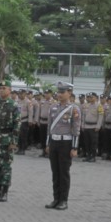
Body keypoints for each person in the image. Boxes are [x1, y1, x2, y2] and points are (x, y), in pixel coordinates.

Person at [45, 82, 81, 210]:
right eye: (59, 92)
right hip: (54, 142)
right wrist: (47, 143)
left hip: (66, 143)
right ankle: (56, 199)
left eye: (62, 92)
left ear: (69, 93)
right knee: (55, 172)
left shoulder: (73, 108)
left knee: (64, 173)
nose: (59, 94)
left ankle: (63, 200)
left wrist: (75, 147)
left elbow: (76, 128)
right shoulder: (53, 107)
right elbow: (49, 127)